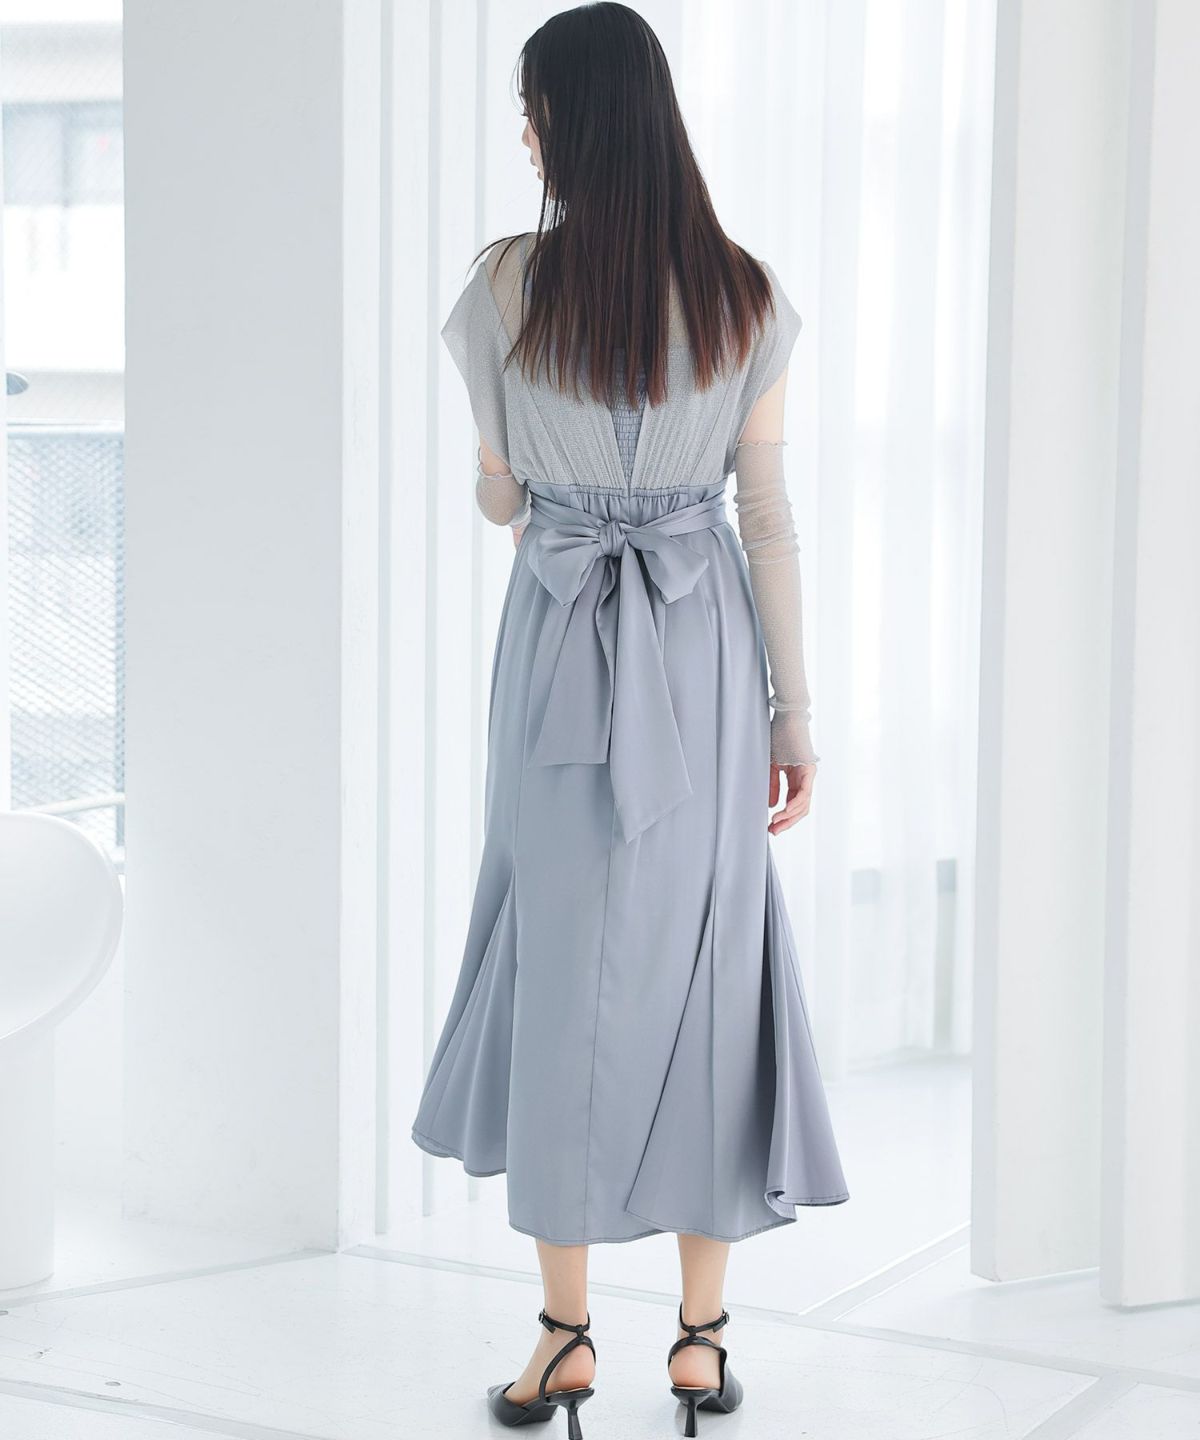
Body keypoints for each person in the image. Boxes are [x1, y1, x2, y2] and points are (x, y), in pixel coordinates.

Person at [410, 5, 848, 1434]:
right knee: (713, 966)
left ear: (573, 122)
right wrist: (793, 715)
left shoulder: (505, 285)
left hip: (558, 641)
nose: (523, 134)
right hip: (704, 649)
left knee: (560, 967)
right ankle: (701, 1341)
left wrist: (529, 473)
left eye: (532, 110)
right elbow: (766, 517)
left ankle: (564, 1336)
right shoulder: (744, 292)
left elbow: (501, 498)